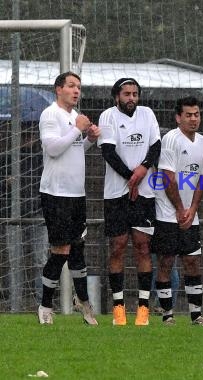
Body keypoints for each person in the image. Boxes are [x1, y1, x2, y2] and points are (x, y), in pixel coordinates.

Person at [37, 71, 100, 325]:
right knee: (61, 250)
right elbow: (52, 149)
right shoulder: (50, 114)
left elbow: (73, 149)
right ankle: (44, 305)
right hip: (56, 193)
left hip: (76, 194)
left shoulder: (75, 117)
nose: (76, 91)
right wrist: (78, 130)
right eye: (71, 86)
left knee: (77, 250)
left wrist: (90, 140)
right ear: (58, 89)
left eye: (79, 87)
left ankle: (83, 303)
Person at [98, 78, 161, 326]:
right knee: (118, 246)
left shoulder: (147, 114)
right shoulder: (108, 117)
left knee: (143, 247)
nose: (131, 98)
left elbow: (156, 146)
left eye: (135, 94)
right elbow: (108, 152)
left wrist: (143, 170)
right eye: (127, 94)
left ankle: (143, 309)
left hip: (144, 192)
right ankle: (118, 308)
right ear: (117, 97)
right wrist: (130, 177)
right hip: (117, 193)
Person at [152, 96, 203, 326]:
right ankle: (167, 315)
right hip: (167, 213)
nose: (193, 119)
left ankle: (196, 315)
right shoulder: (171, 140)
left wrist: (193, 209)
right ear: (178, 117)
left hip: (190, 215)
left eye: (196, 114)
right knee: (166, 262)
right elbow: (167, 177)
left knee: (192, 262)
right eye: (188, 115)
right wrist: (179, 209)